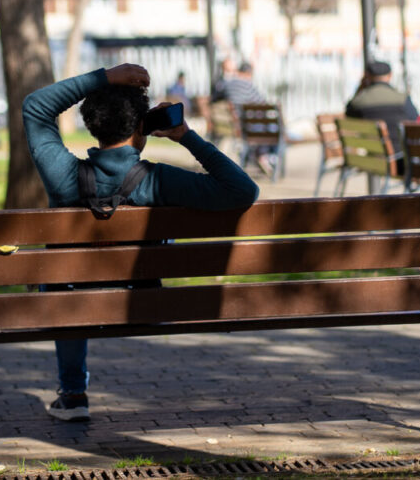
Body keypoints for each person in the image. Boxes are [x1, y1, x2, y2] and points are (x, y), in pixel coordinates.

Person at [23, 64, 259, 422]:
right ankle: (72, 391)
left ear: (91, 124)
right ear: (141, 128)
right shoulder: (159, 180)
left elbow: (35, 107)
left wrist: (105, 76)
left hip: (69, 306)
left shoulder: (62, 175)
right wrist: (186, 136)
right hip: (143, 304)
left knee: (63, 281)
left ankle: (73, 395)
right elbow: (243, 190)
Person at [345, 60, 419, 156]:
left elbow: (348, 116)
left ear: (367, 76)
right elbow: (415, 119)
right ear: (390, 75)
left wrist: (361, 87)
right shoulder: (402, 99)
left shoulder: (358, 102)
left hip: (374, 158)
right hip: (400, 156)